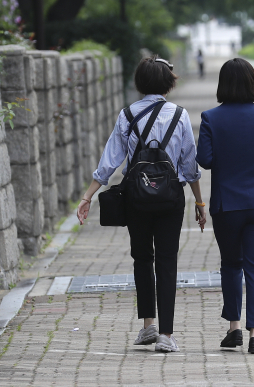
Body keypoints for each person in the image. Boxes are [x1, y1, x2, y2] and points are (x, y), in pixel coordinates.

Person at [77, 56, 206, 353]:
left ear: (139, 83)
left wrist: (88, 196)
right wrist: (199, 202)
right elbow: (190, 164)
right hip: (171, 198)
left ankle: (148, 324)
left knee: (142, 258)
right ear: (168, 82)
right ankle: (166, 335)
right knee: (167, 261)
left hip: (136, 197)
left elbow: (110, 161)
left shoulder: (127, 115)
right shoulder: (180, 115)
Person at [196, 58, 254, 354]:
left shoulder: (210, 118)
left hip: (227, 205)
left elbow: (204, 160)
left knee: (231, 265)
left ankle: (233, 329)